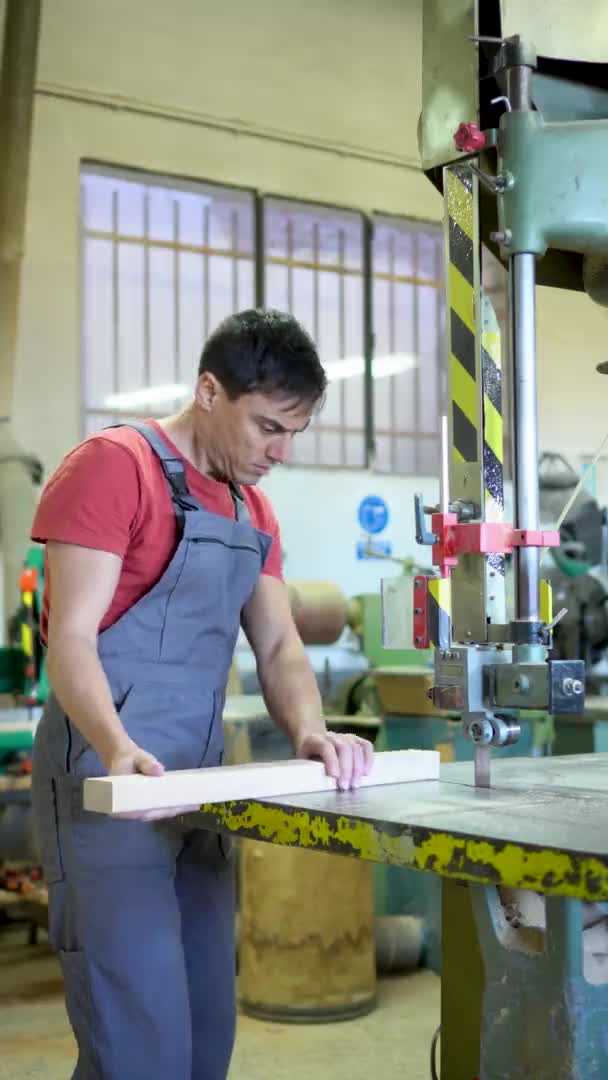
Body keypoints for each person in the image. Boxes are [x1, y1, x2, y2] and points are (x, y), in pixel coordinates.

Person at [30, 308, 374, 1080]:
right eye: (266, 428)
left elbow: (280, 643)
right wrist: (119, 748)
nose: (280, 452)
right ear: (209, 390)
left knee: (206, 1035)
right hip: (109, 784)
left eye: (294, 433)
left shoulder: (252, 509)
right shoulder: (114, 466)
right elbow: (71, 638)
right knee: (138, 1044)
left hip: (199, 790)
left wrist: (313, 732)